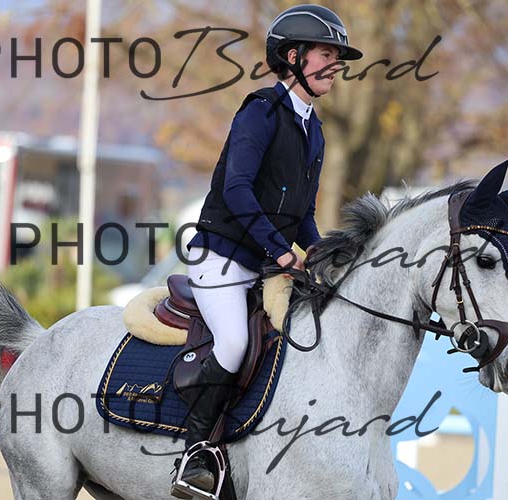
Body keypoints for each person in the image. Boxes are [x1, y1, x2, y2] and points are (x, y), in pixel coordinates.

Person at [171, 5, 363, 497]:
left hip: (263, 264)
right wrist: (281, 252)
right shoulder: (259, 111)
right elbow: (236, 190)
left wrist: (322, 254)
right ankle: (194, 455)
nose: (335, 65)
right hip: (220, 257)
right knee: (234, 341)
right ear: (293, 57)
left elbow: (302, 214)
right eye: (326, 54)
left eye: (337, 57)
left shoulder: (315, 130)